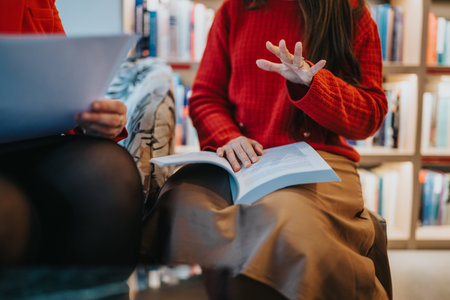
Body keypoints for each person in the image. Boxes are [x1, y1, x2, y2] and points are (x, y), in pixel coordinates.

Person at [141, 0, 391, 299]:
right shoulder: (235, 9)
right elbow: (205, 96)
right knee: (181, 201)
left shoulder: (351, 12)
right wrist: (228, 136)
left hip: (318, 160)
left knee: (284, 223)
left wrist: (314, 84)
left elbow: (369, 117)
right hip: (237, 161)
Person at [0, 0, 143, 266]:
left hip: (26, 139)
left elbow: (61, 83)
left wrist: (93, 118)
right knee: (8, 213)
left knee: (108, 171)